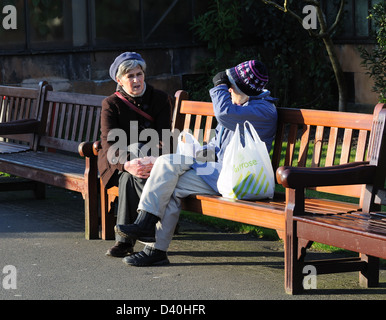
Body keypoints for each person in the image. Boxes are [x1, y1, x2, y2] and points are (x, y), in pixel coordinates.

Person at [115, 60, 278, 266]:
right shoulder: (239, 107)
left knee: (166, 163)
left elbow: (223, 113)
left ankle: (145, 223)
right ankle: (155, 250)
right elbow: (215, 148)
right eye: (227, 87)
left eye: (231, 87)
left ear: (245, 89)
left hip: (242, 179)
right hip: (220, 172)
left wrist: (218, 85)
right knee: (170, 185)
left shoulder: (263, 111)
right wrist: (194, 153)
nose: (228, 91)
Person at [99, 52, 173, 258]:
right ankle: (148, 227)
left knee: (133, 172)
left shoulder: (160, 99)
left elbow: (164, 138)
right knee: (129, 172)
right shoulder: (111, 104)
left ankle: (124, 242)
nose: (136, 80)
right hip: (117, 163)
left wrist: (150, 158)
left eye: (139, 74)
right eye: (130, 76)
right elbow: (109, 143)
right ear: (119, 80)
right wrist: (128, 163)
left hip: (152, 160)